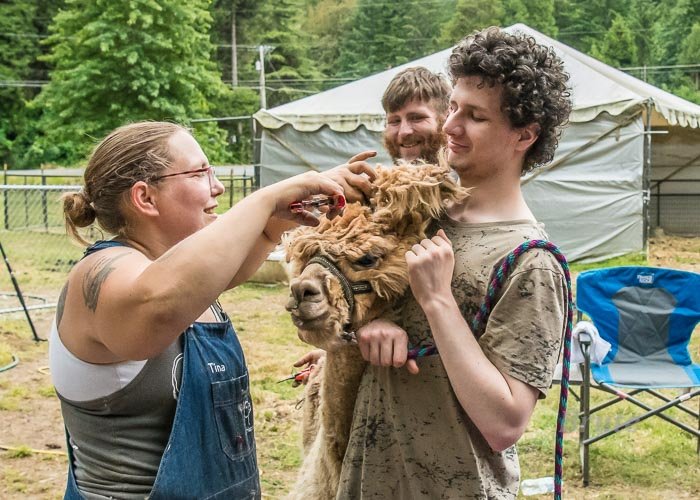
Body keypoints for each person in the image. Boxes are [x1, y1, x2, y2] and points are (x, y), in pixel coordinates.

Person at [48, 121, 372, 499]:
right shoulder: (101, 275)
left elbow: (263, 234)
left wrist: (314, 194)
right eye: (201, 173)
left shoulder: (188, 278)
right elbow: (156, 303)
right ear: (145, 198)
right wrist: (267, 197)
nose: (217, 187)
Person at [337, 27, 572, 498]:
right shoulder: (411, 213)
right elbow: (318, 312)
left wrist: (438, 301)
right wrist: (361, 325)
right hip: (366, 481)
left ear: (524, 135)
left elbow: (505, 423)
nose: (450, 127)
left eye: (476, 117)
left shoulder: (531, 262)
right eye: (453, 108)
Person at [292, 66, 452, 376]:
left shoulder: (463, 207)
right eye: (394, 121)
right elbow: (324, 301)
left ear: (446, 122)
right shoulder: (365, 203)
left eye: (417, 118)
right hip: (372, 390)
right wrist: (335, 345)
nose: (404, 132)